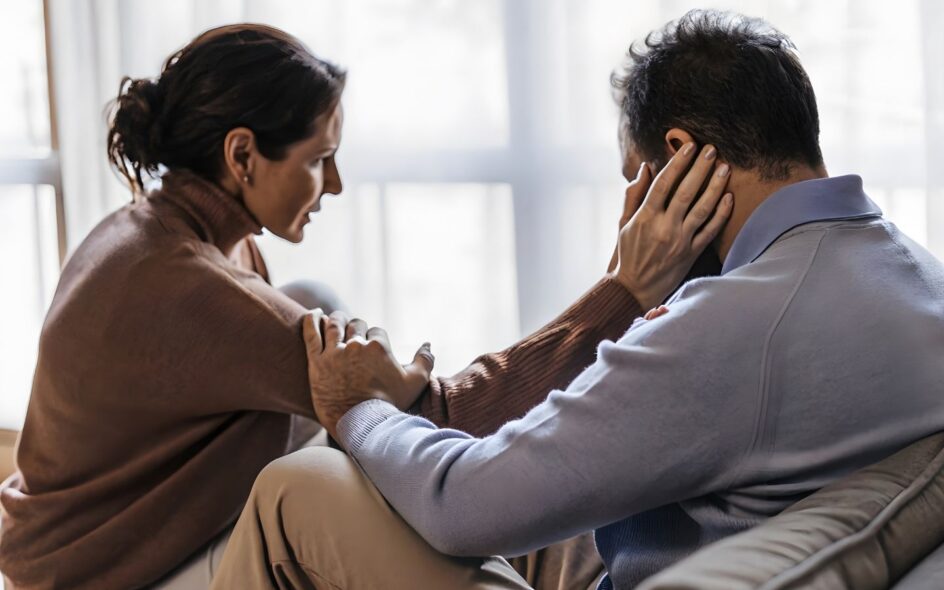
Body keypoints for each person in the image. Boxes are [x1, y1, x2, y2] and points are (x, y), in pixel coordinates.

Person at [210, 10, 944, 590]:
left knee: (296, 488)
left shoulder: (739, 324)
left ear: (682, 158)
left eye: (637, 175)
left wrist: (359, 407)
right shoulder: (911, 270)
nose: (631, 203)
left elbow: (459, 505)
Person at [0, 23, 731, 590]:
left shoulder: (185, 231)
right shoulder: (184, 283)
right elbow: (452, 420)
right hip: (101, 577)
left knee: (327, 325)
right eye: (320, 158)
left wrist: (384, 385)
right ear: (242, 156)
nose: (338, 184)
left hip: (102, 537)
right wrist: (623, 292)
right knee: (366, 482)